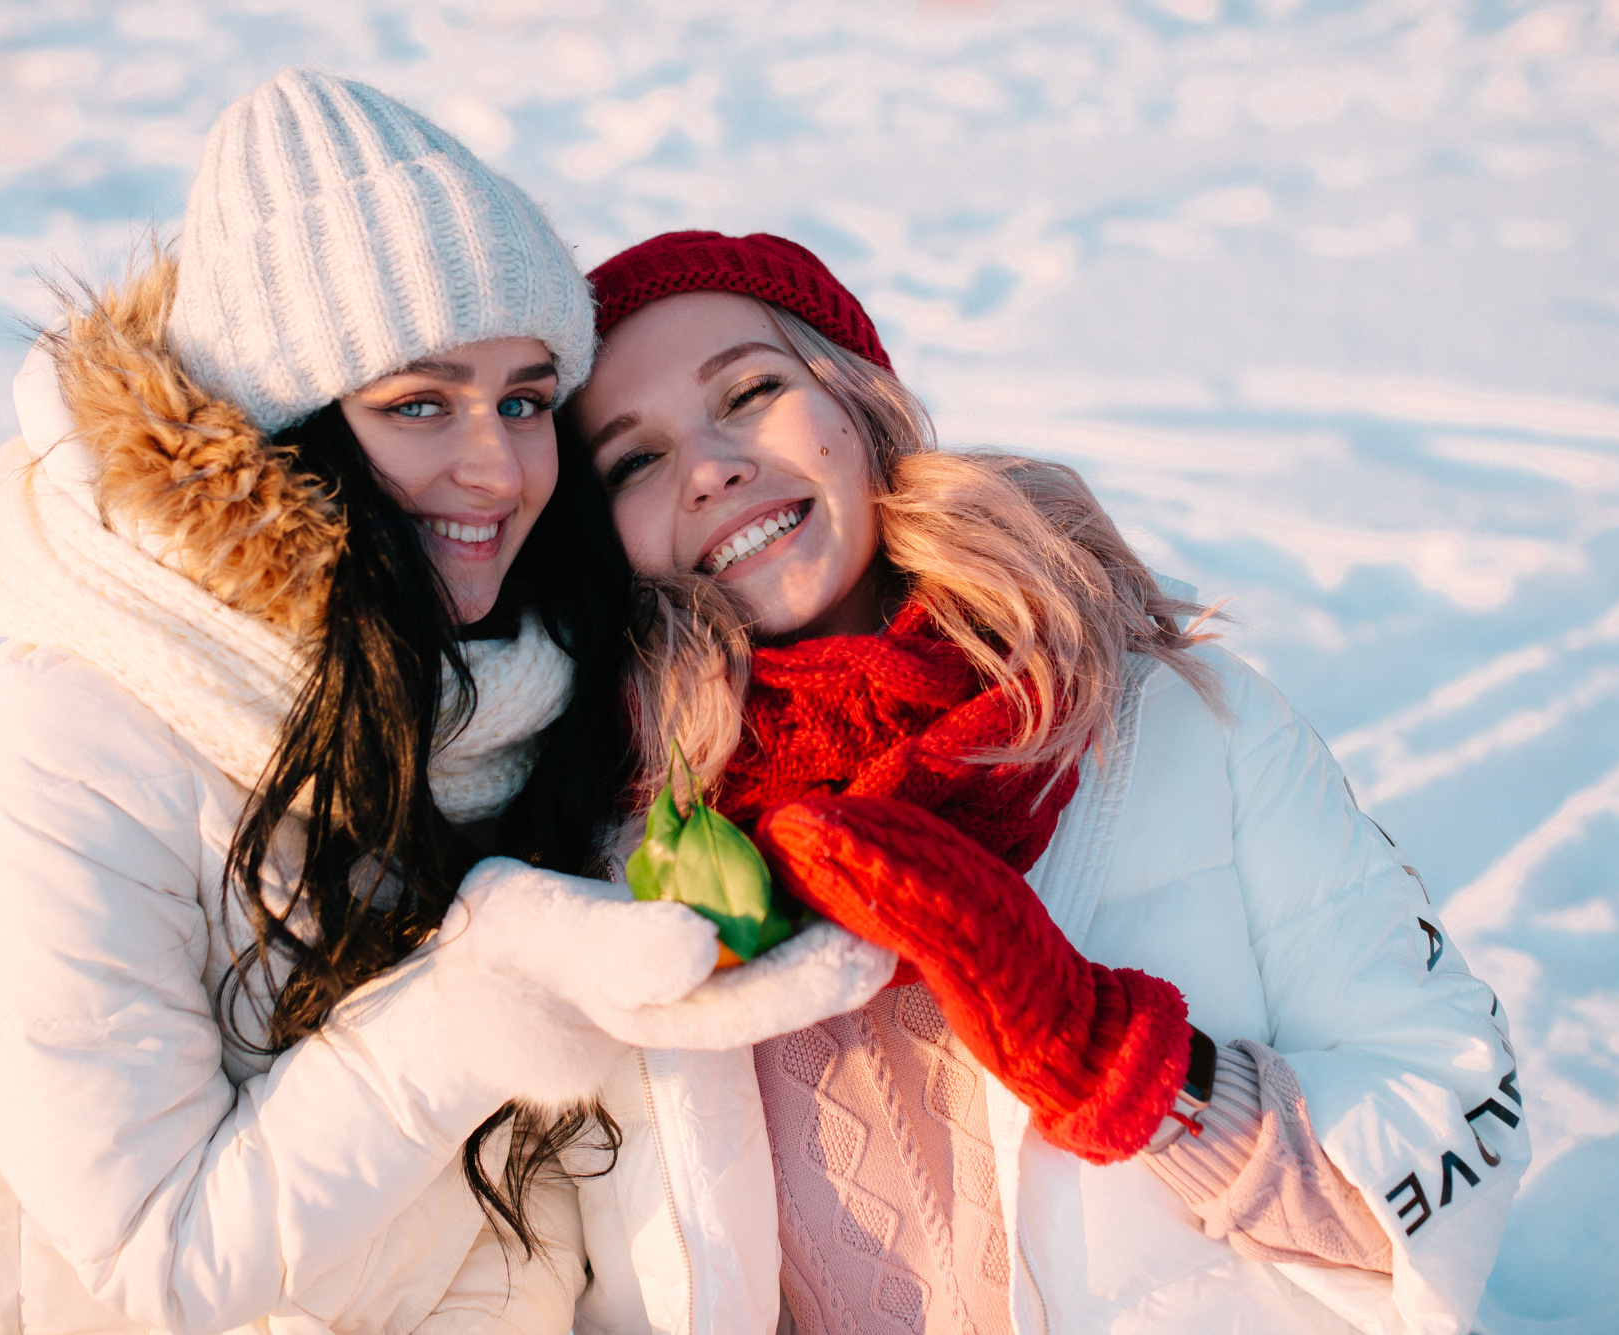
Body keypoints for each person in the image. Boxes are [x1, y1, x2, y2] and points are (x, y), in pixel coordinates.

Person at [0, 76, 884, 1335]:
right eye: (419, 403)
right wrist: (486, 998)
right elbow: (168, 1268)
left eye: (524, 398)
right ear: (287, 424)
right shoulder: (66, 756)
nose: (496, 466)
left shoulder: (516, 686)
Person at [561, 230, 1530, 1334]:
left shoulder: (1183, 729)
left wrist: (1125, 1066)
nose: (708, 468)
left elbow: (1454, 1130)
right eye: (632, 461)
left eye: (749, 389)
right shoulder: (603, 848)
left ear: (860, 405)